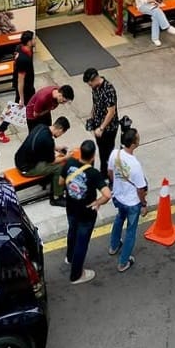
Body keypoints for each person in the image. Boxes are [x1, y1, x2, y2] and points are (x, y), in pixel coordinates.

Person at [62, 139, 111, 285]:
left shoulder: (70, 163)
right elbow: (107, 194)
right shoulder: (93, 173)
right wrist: (97, 202)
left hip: (71, 207)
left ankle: (69, 257)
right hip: (86, 213)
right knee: (81, 242)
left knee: (72, 232)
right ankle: (76, 275)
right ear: (93, 156)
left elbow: (60, 182)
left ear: (80, 152)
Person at [107, 127, 148, 274]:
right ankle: (123, 262)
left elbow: (110, 173)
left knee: (119, 218)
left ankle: (114, 246)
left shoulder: (115, 154)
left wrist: (117, 185)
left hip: (118, 196)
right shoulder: (135, 165)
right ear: (133, 144)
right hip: (132, 202)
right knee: (131, 230)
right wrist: (143, 204)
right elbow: (140, 189)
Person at [0, 30, 36, 144]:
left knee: (25, 108)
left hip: (29, 85)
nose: (35, 41)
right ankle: (0, 130)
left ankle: (1, 128)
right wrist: (21, 97)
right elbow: (20, 80)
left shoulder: (24, 49)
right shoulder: (23, 58)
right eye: (33, 39)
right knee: (20, 108)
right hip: (25, 88)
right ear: (28, 42)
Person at [15, 117, 71, 203]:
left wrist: (56, 148)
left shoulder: (40, 127)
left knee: (50, 161)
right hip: (27, 169)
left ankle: (45, 180)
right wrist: (66, 157)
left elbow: (41, 144)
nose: (60, 135)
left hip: (19, 160)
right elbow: (52, 161)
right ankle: (57, 197)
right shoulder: (49, 141)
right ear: (60, 129)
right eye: (62, 133)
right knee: (59, 167)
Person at [82, 68, 119, 176]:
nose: (90, 86)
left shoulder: (109, 90)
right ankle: (103, 172)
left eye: (90, 84)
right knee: (101, 151)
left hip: (108, 127)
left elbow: (111, 112)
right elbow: (95, 104)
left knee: (107, 152)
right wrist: (91, 118)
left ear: (94, 79)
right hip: (98, 124)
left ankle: (108, 173)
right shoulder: (95, 88)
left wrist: (102, 128)